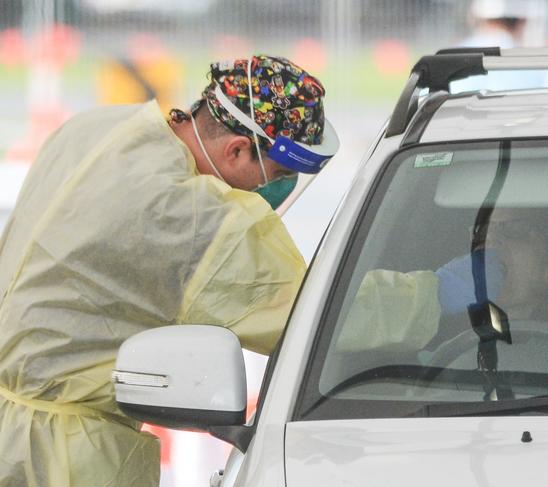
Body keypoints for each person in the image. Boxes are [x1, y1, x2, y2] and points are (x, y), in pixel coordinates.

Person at [0, 54, 339, 486]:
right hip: (67, 462)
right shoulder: (202, 219)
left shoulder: (95, 131)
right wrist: (434, 293)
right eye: (278, 174)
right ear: (235, 150)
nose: (272, 190)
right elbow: (323, 318)